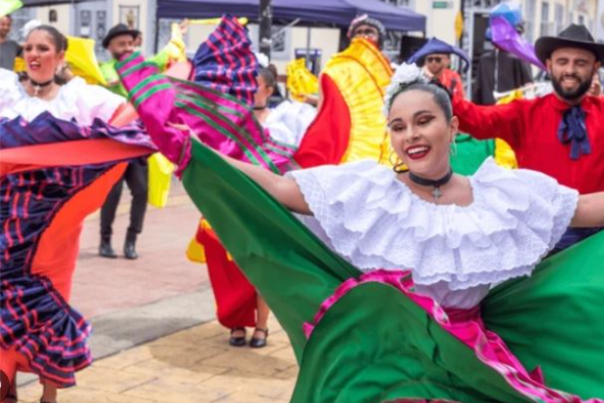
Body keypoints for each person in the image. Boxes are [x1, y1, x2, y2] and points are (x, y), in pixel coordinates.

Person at [117, 47, 604, 400]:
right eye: (398, 126)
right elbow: (283, 188)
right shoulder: (373, 194)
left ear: (452, 128)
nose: (410, 134)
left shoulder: (500, 196)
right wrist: (193, 151)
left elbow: (583, 209)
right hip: (385, 363)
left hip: (469, 363)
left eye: (423, 121)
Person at [0, 25, 152, 403]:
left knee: (52, 304)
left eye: (44, 48)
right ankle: (7, 385)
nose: (34, 55)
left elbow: (128, 115)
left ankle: (49, 395)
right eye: (28, 48)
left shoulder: (80, 98)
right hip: (6, 218)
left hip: (55, 224)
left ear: (61, 55)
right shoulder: (4, 91)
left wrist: (151, 81)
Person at [454, 24, 604, 251]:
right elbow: (478, 119)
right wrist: (442, 97)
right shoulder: (524, 113)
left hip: (597, 238)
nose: (570, 70)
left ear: (595, 67)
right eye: (563, 61)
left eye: (580, 63)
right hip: (542, 236)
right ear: (549, 65)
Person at [98, 23, 148, 259]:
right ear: (110, 47)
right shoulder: (106, 68)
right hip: (113, 141)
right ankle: (105, 240)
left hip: (137, 141)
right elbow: (109, 80)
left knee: (141, 191)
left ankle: (131, 240)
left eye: (130, 43)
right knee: (113, 192)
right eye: (122, 44)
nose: (127, 48)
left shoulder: (139, 67)